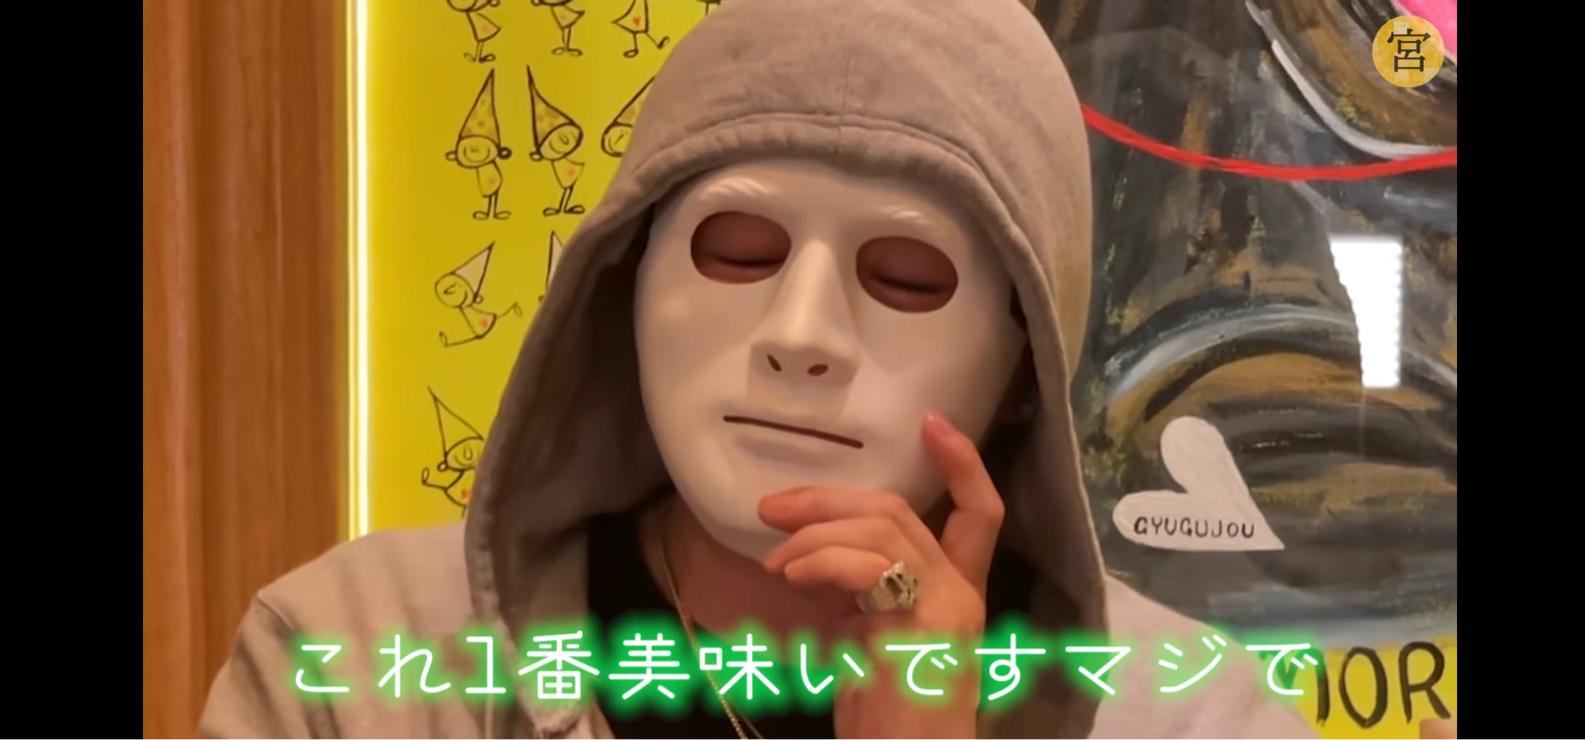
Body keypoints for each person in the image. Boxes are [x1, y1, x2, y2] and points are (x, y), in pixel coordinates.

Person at [198, 0, 1317, 737]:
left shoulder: (1195, 717)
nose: (801, 332)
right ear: (623, 285)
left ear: (1026, 365)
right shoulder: (350, 663)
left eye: (906, 274)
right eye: (737, 250)